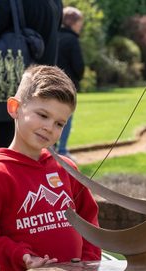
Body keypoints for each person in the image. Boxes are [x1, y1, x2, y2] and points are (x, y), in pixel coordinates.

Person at [0, 65, 101, 271]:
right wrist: (21, 256)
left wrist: (87, 262)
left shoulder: (67, 169)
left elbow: (89, 220)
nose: (49, 128)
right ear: (15, 108)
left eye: (59, 123)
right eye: (43, 115)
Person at [0, 0, 63, 149]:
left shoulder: (6, 3)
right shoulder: (55, 3)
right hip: (44, 83)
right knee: (42, 154)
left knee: (9, 152)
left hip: (10, 87)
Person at [55, 6, 84, 159]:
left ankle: (50, 150)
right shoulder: (72, 39)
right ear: (72, 22)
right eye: (80, 22)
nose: (81, 26)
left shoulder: (53, 35)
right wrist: (78, 77)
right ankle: (62, 150)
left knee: (51, 116)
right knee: (66, 118)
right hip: (68, 85)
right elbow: (78, 65)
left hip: (51, 83)